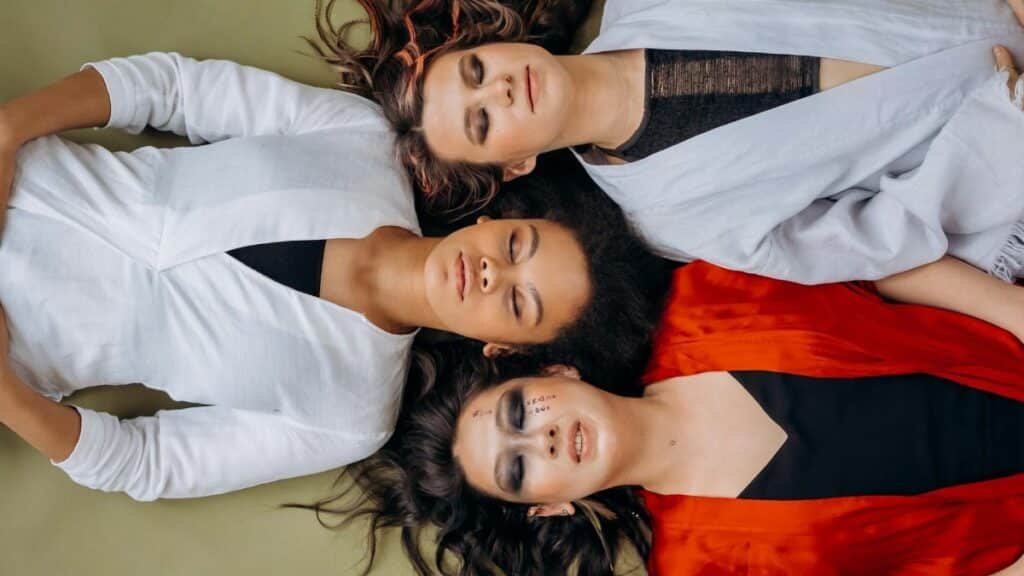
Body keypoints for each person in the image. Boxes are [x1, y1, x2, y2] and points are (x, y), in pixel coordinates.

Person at [0, 53, 660, 501]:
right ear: (491, 220)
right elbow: (170, 88)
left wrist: (6, 394)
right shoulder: (357, 135)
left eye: (519, 302)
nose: (491, 273)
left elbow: (150, 464)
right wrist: (7, 129)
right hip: (22, 182)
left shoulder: (352, 416)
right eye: (516, 245)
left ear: (507, 349)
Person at [305, 261, 1024, 576]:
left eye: (519, 410)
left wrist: (1016, 314)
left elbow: (881, 265)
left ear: (555, 371)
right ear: (551, 505)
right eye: (519, 465)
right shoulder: (696, 566)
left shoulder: (704, 298)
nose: (543, 435)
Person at [316, 0, 1024, 302]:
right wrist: (1000, 120)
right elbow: (869, 240)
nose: (498, 90)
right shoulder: (670, 216)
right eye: (479, 123)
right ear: (514, 165)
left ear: (495, 42)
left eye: (475, 71)